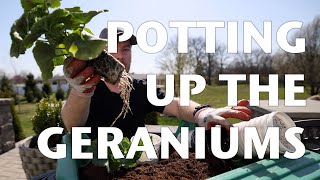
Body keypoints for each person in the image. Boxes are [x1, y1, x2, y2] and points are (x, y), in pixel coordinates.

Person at [61, 28, 252, 140]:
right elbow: (72, 125)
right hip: (93, 167)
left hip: (135, 164)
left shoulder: (141, 88)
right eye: (112, 49)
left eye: (125, 49)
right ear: (99, 53)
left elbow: (176, 105)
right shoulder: (88, 85)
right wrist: (81, 92)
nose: (120, 55)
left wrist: (203, 114)